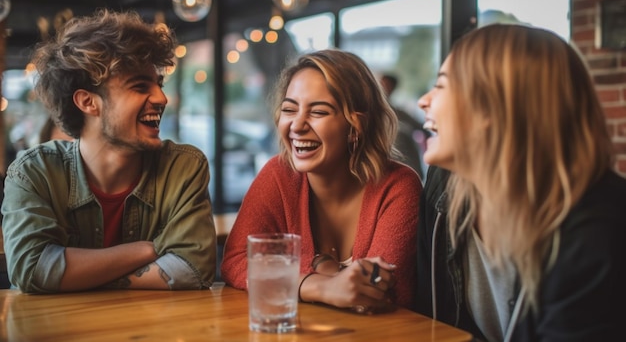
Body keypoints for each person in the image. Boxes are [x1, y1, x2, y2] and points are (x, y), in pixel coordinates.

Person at [415, 24, 625, 341]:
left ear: (495, 103)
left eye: (442, 86)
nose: (423, 101)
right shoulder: (444, 184)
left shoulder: (598, 228)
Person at [1, 10, 217, 293]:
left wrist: (75, 276)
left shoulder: (183, 166)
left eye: (158, 85)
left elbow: (192, 269)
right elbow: (32, 270)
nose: (162, 98)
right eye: (140, 86)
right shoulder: (34, 173)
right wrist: (147, 250)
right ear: (88, 102)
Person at [221, 49, 421, 312]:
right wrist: (320, 284)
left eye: (319, 112)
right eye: (289, 109)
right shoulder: (278, 174)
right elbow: (236, 260)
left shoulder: (398, 186)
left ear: (355, 126)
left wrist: (317, 267)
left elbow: (381, 293)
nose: (297, 125)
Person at [380, 73, 429, 180]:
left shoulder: (400, 114)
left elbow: (423, 128)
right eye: (382, 84)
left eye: (387, 85)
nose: (383, 87)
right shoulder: (368, 113)